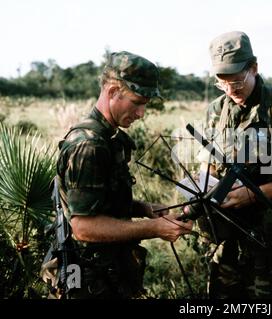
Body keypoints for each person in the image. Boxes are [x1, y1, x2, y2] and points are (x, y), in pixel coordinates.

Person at [55, 51, 193, 298]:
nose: (141, 113)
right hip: (89, 280)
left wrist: (143, 208)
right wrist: (153, 228)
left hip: (109, 272)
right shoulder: (89, 146)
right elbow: (83, 227)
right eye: (137, 102)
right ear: (112, 92)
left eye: (144, 105)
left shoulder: (108, 138)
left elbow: (101, 203)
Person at [196, 31, 272, 299]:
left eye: (237, 80)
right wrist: (201, 194)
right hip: (225, 246)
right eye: (222, 82)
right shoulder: (215, 112)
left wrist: (253, 194)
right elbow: (207, 170)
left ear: (254, 67)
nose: (231, 90)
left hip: (270, 248)